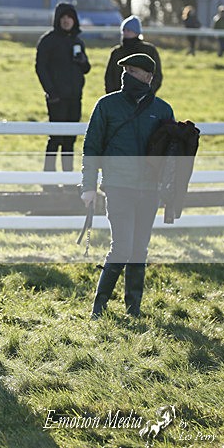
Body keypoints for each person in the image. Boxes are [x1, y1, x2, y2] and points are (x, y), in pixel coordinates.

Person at [81, 53, 174, 319]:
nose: (126, 76)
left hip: (149, 190)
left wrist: (169, 189)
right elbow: (92, 147)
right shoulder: (107, 105)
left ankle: (134, 309)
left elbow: (170, 156)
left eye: (133, 71)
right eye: (125, 71)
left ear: (148, 77)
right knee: (122, 247)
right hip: (118, 186)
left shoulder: (163, 110)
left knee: (139, 250)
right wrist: (88, 186)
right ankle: (99, 308)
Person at [35, 3, 91, 174]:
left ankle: (68, 178)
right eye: (63, 17)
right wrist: (51, 92)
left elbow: (86, 69)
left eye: (70, 17)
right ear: (57, 20)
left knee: (70, 140)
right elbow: (40, 68)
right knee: (55, 138)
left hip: (75, 97)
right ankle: (49, 177)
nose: (66, 21)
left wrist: (82, 61)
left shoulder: (77, 42)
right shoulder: (48, 41)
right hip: (56, 98)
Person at [104, 16, 162, 94]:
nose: (125, 33)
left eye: (129, 30)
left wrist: (147, 93)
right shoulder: (116, 52)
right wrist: (113, 96)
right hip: (119, 97)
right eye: (123, 30)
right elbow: (109, 77)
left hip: (144, 97)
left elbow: (156, 75)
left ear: (137, 32)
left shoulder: (149, 50)